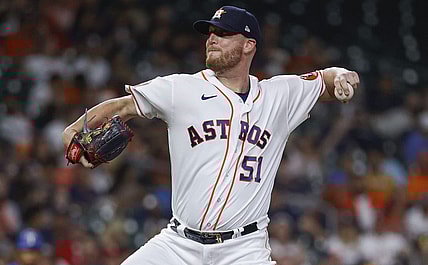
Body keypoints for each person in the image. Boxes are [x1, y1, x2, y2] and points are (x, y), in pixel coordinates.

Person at [62, 5, 360, 265]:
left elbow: (326, 80)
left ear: (248, 45)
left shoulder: (278, 96)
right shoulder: (181, 89)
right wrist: (75, 127)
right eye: (210, 32)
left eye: (224, 33)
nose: (213, 38)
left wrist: (344, 76)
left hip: (244, 249)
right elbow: (124, 107)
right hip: (178, 245)